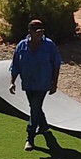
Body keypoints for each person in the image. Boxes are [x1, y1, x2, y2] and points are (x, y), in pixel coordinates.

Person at [9, 18, 64, 151]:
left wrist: (54, 83)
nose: (40, 34)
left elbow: (56, 64)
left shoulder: (49, 46)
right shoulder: (22, 46)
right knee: (35, 107)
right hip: (28, 83)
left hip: (43, 83)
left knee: (34, 107)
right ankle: (44, 126)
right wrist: (12, 82)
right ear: (30, 32)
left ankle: (30, 138)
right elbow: (15, 65)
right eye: (37, 32)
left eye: (42, 32)